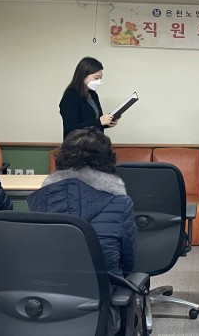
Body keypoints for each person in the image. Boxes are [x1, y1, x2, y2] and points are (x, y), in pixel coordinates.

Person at [27, 128, 136, 336]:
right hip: (100, 308)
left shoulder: (40, 200)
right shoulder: (121, 204)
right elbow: (128, 262)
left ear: (62, 158)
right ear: (108, 160)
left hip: (42, 305)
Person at [59, 56, 118, 140]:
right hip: (78, 145)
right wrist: (99, 121)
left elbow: (94, 122)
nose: (99, 81)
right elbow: (71, 128)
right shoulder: (71, 96)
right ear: (83, 75)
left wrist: (107, 123)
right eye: (96, 78)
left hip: (95, 143)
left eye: (100, 78)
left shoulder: (93, 94)